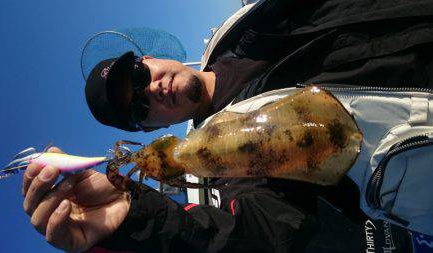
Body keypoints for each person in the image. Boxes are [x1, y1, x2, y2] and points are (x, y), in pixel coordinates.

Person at [22, 0, 433, 252]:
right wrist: (136, 218)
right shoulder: (226, 171)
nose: (153, 90)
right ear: (148, 130)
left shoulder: (241, 32)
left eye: (139, 74)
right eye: (139, 108)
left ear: (148, 59)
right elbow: (262, 233)